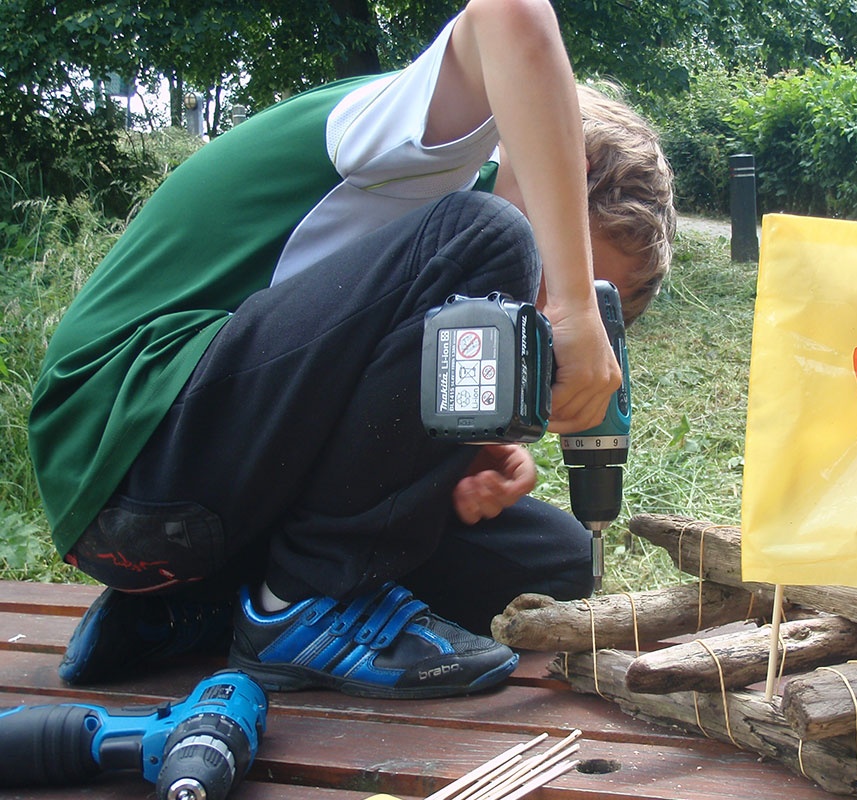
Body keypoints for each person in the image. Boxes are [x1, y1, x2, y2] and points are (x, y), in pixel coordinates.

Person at [29, 0, 675, 699]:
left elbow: (318, 376)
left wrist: (455, 447)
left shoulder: (424, 251)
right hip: (126, 449)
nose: (551, 332)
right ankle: (300, 604)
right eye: (564, 275)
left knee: (556, 563)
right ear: (564, 173)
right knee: (486, 238)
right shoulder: (414, 137)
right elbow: (508, 13)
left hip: (204, 511)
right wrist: (575, 308)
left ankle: (204, 605)